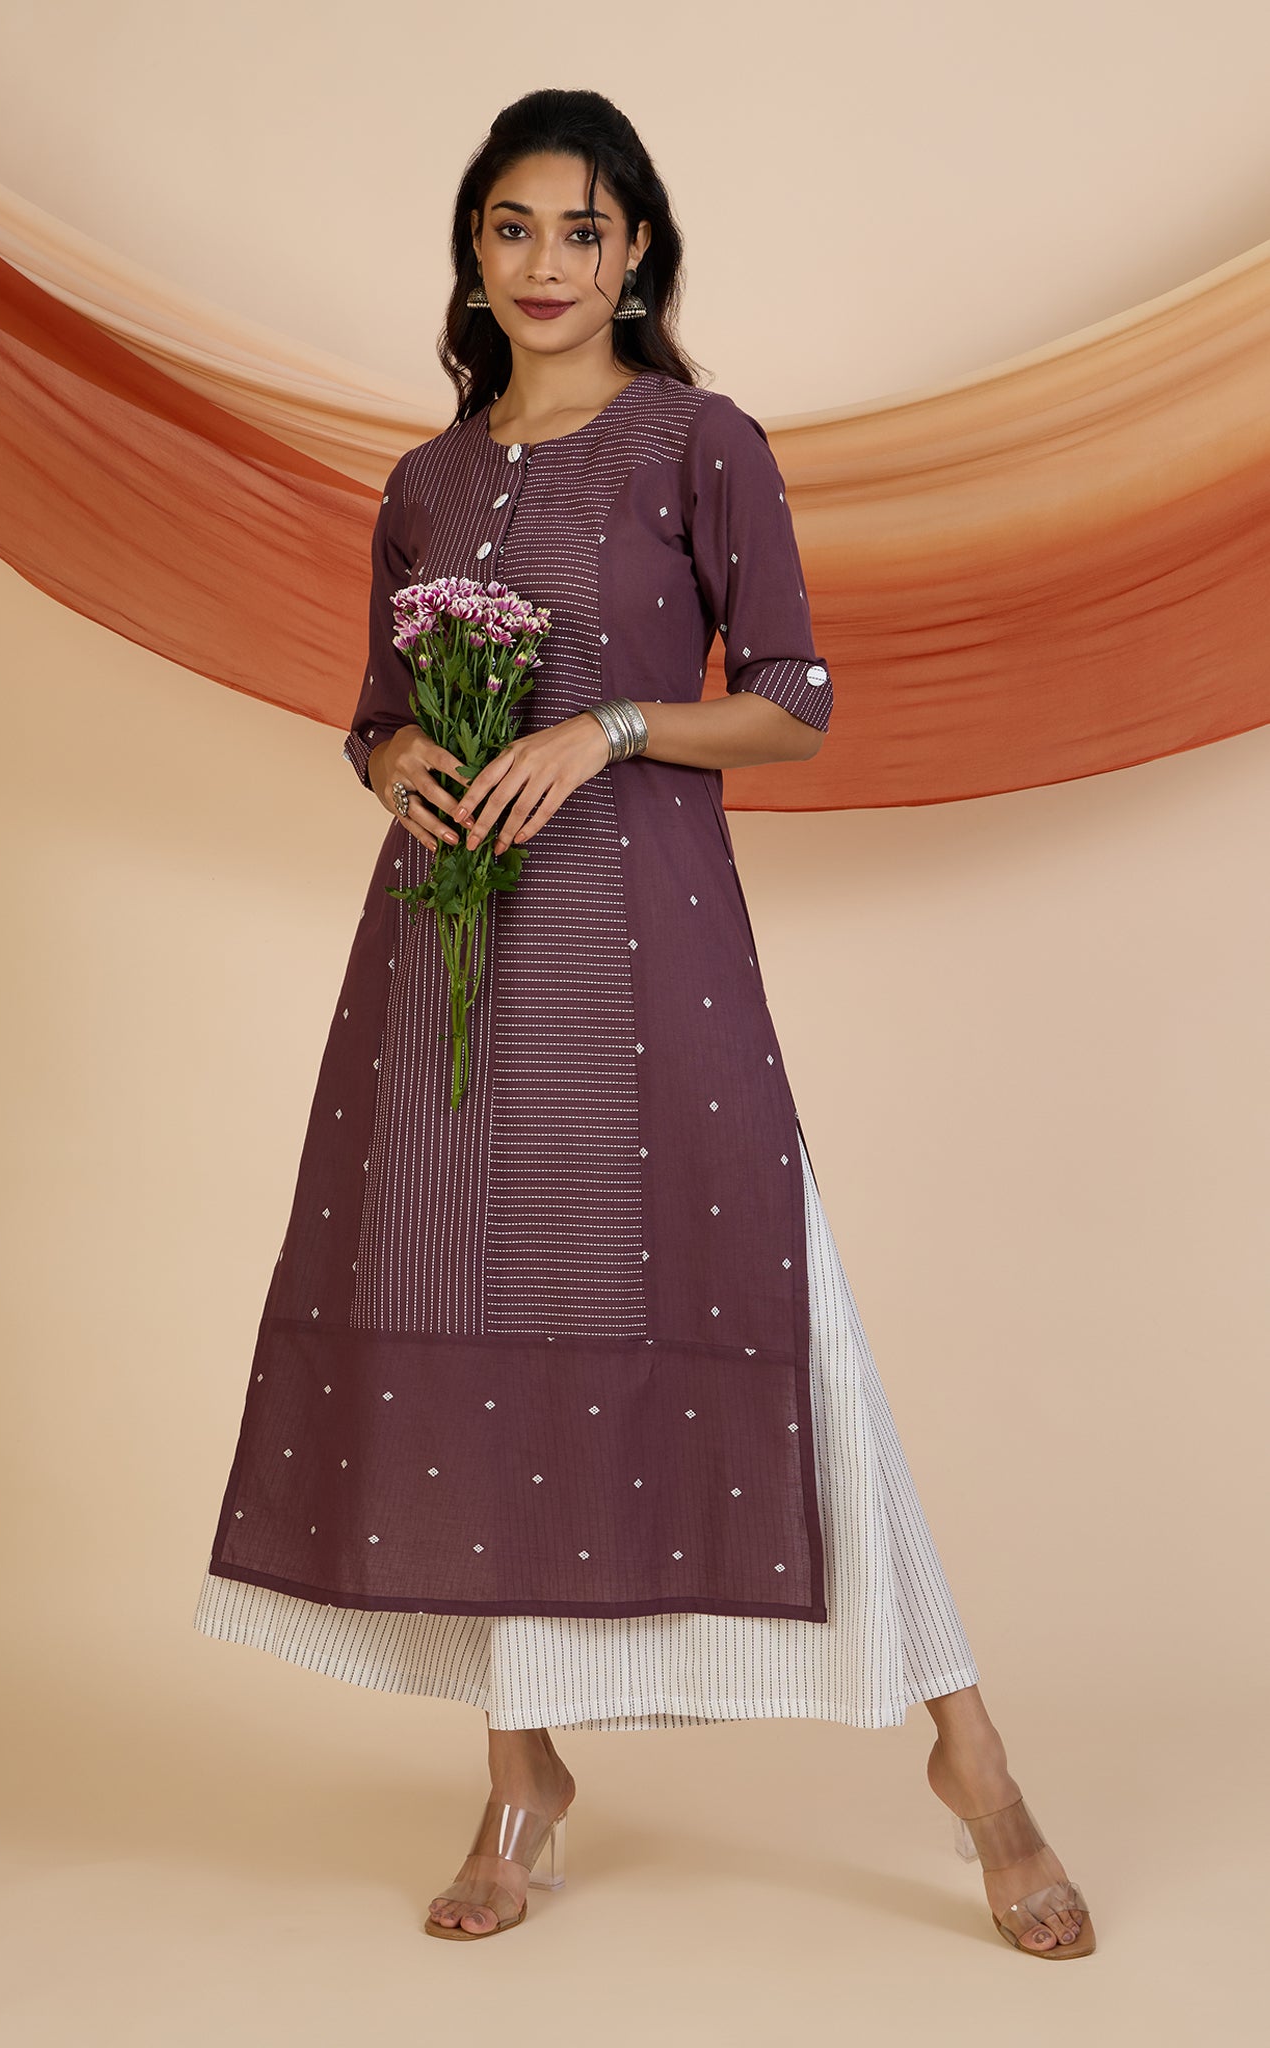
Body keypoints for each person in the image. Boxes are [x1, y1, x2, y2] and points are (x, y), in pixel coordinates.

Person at [193, 87, 1094, 1959]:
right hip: (449, 959)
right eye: (511, 228)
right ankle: (520, 1774)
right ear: (472, 254)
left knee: (783, 1313)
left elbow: (793, 699)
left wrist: (603, 731)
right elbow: (372, 711)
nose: (546, 264)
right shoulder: (425, 480)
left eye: (581, 231)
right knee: (474, 1329)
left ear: (637, 254)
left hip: (644, 961)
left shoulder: (701, 443)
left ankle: (972, 1759)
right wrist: (397, 765)